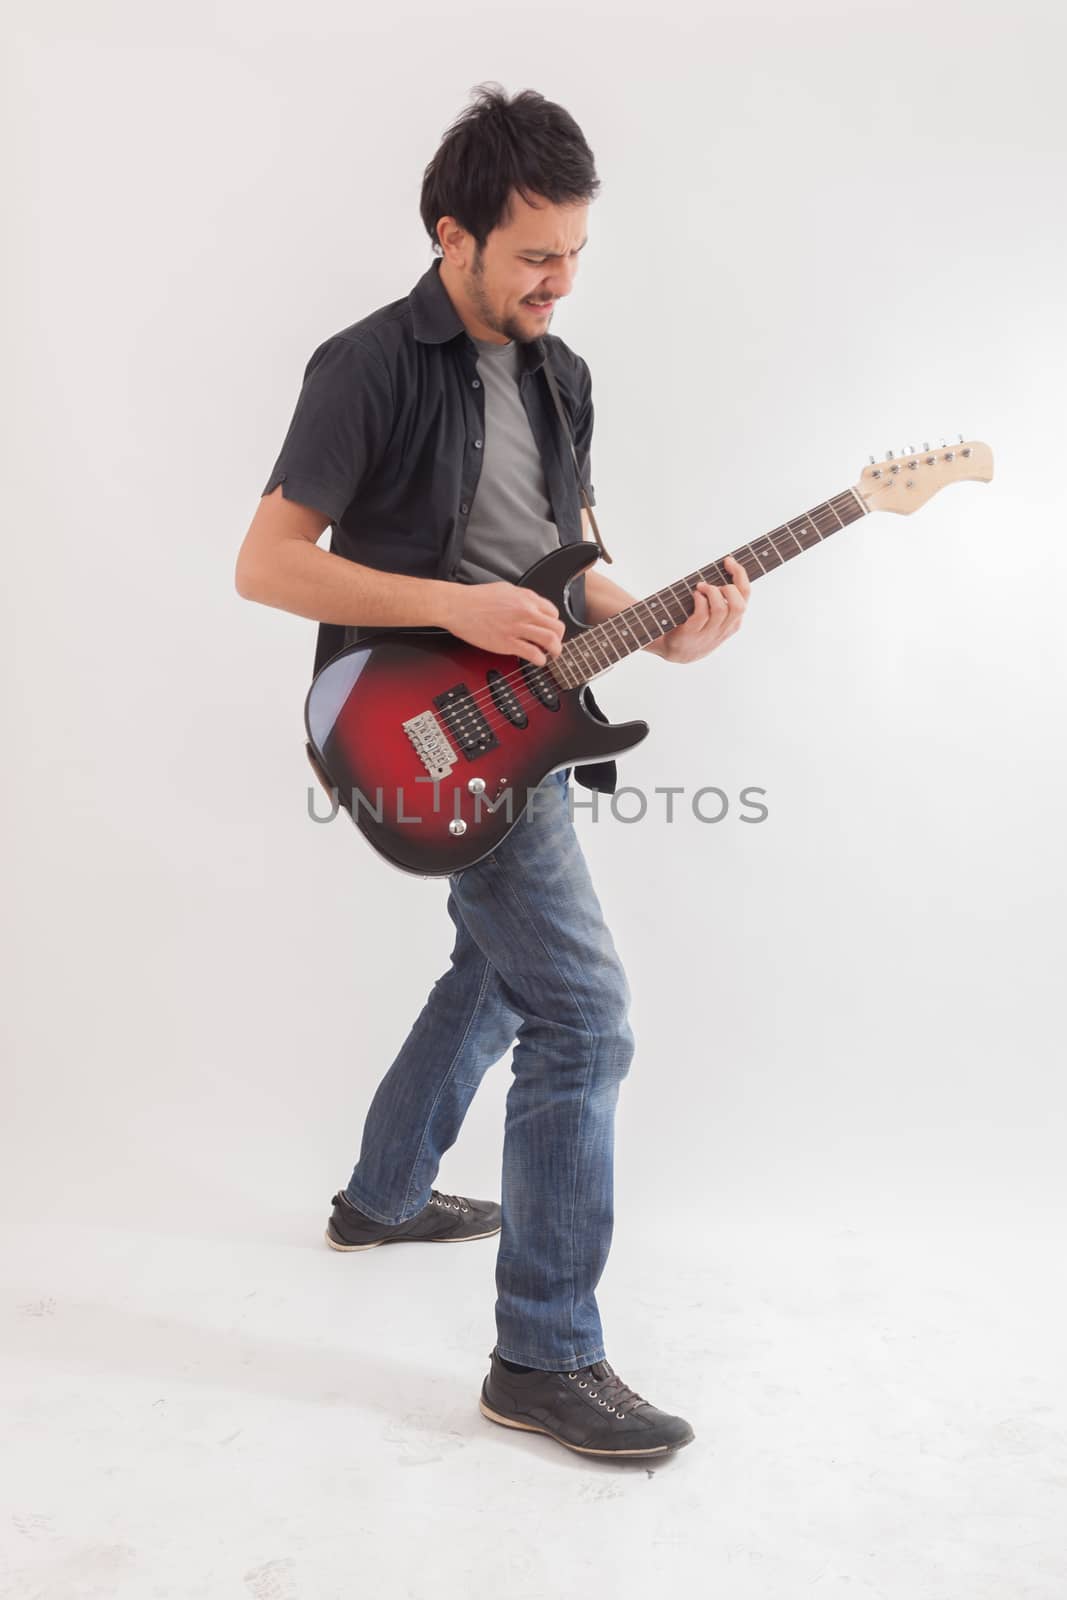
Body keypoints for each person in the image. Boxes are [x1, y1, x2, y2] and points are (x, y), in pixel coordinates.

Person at [235, 83, 750, 1461]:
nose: (559, 282)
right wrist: (446, 608)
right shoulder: (366, 365)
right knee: (584, 1016)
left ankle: (385, 1196)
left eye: (576, 253)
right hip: (402, 712)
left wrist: (667, 622)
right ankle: (544, 1355)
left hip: (526, 717)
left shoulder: (562, 373)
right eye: (533, 256)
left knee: (496, 971)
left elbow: (574, 560)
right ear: (453, 234)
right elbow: (267, 564)